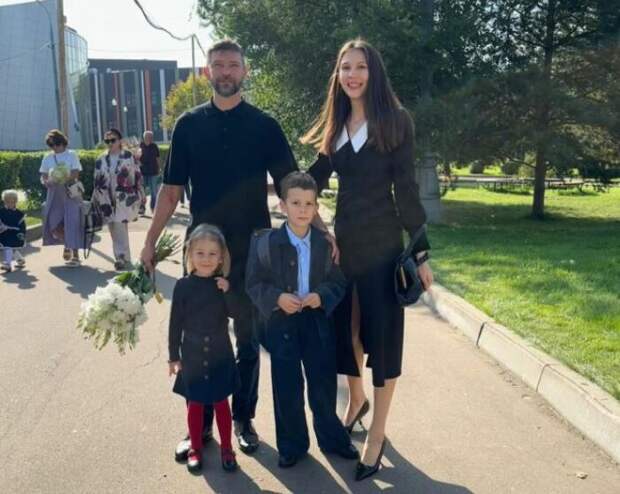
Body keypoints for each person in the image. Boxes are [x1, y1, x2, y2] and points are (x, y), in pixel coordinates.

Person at [141, 40, 297, 459]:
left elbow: (291, 185)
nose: (226, 72)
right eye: (218, 65)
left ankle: (244, 419)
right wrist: (150, 241)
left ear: (244, 71)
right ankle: (201, 426)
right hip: (203, 254)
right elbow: (171, 192)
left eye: (233, 65)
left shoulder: (265, 126)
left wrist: (318, 231)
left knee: (247, 341)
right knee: (198, 340)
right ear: (207, 72)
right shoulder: (188, 125)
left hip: (252, 254)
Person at [302, 39, 434, 481]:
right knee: (346, 331)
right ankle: (356, 399)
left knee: (383, 338)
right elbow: (312, 181)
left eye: (360, 67)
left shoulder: (395, 121)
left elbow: (406, 189)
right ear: (337, 75)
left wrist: (420, 251)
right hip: (344, 247)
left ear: (373, 73)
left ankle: (377, 432)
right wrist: (299, 204)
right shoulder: (336, 125)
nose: (352, 75)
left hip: (382, 246)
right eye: (345, 67)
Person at [246, 172, 359, 468]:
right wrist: (276, 298)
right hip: (281, 324)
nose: (302, 209)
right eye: (296, 203)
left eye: (309, 203)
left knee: (323, 385)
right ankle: (292, 445)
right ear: (282, 205)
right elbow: (253, 283)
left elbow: (338, 282)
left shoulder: (325, 244)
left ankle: (333, 439)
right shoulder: (265, 243)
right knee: (287, 387)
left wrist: (321, 296)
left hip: (316, 324)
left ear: (316, 207)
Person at [168, 224, 239, 474]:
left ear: (221, 258)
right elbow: (175, 324)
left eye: (212, 254)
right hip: (192, 355)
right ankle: (195, 449)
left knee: (221, 404)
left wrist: (229, 292)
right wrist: (173, 357)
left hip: (220, 354)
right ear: (190, 255)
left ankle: (227, 449)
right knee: (195, 404)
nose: (206, 259)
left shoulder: (222, 285)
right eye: (200, 253)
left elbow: (235, 313)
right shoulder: (183, 286)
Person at [92, 128, 144, 271]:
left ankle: (122, 257)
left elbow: (137, 174)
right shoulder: (101, 159)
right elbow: (96, 179)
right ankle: (121, 256)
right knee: (112, 226)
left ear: (120, 140)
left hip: (124, 195)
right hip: (105, 197)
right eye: (107, 141)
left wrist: (140, 193)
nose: (110, 143)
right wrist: (96, 197)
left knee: (120, 224)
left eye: (113, 140)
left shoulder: (128, 156)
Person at [40, 129, 84, 267]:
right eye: (51, 145)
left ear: (63, 142)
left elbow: (76, 173)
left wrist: (62, 177)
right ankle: (67, 244)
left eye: (57, 144)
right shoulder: (47, 157)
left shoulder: (71, 155)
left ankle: (75, 256)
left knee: (72, 222)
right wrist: (46, 182)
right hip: (54, 193)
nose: (54, 147)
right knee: (52, 223)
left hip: (70, 191)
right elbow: (43, 175)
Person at [0, 190, 26, 272]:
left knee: (8, 247)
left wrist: (21, 233)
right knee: (11, 248)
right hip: (4, 233)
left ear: (16, 201)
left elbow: (22, 225)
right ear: (4, 201)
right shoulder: (1, 212)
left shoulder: (19, 214)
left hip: (15, 234)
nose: (10, 204)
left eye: (13, 202)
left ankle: (8, 264)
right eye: (8, 202)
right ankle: (20, 259)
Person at [138, 131, 161, 214]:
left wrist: (159, 168)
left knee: (154, 192)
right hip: (142, 172)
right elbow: (136, 158)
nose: (150, 138)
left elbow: (157, 158)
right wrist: (138, 163)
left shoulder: (154, 146)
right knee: (142, 191)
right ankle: (142, 207)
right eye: (149, 137)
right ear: (144, 137)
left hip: (153, 171)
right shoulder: (140, 146)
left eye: (151, 137)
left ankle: (153, 208)